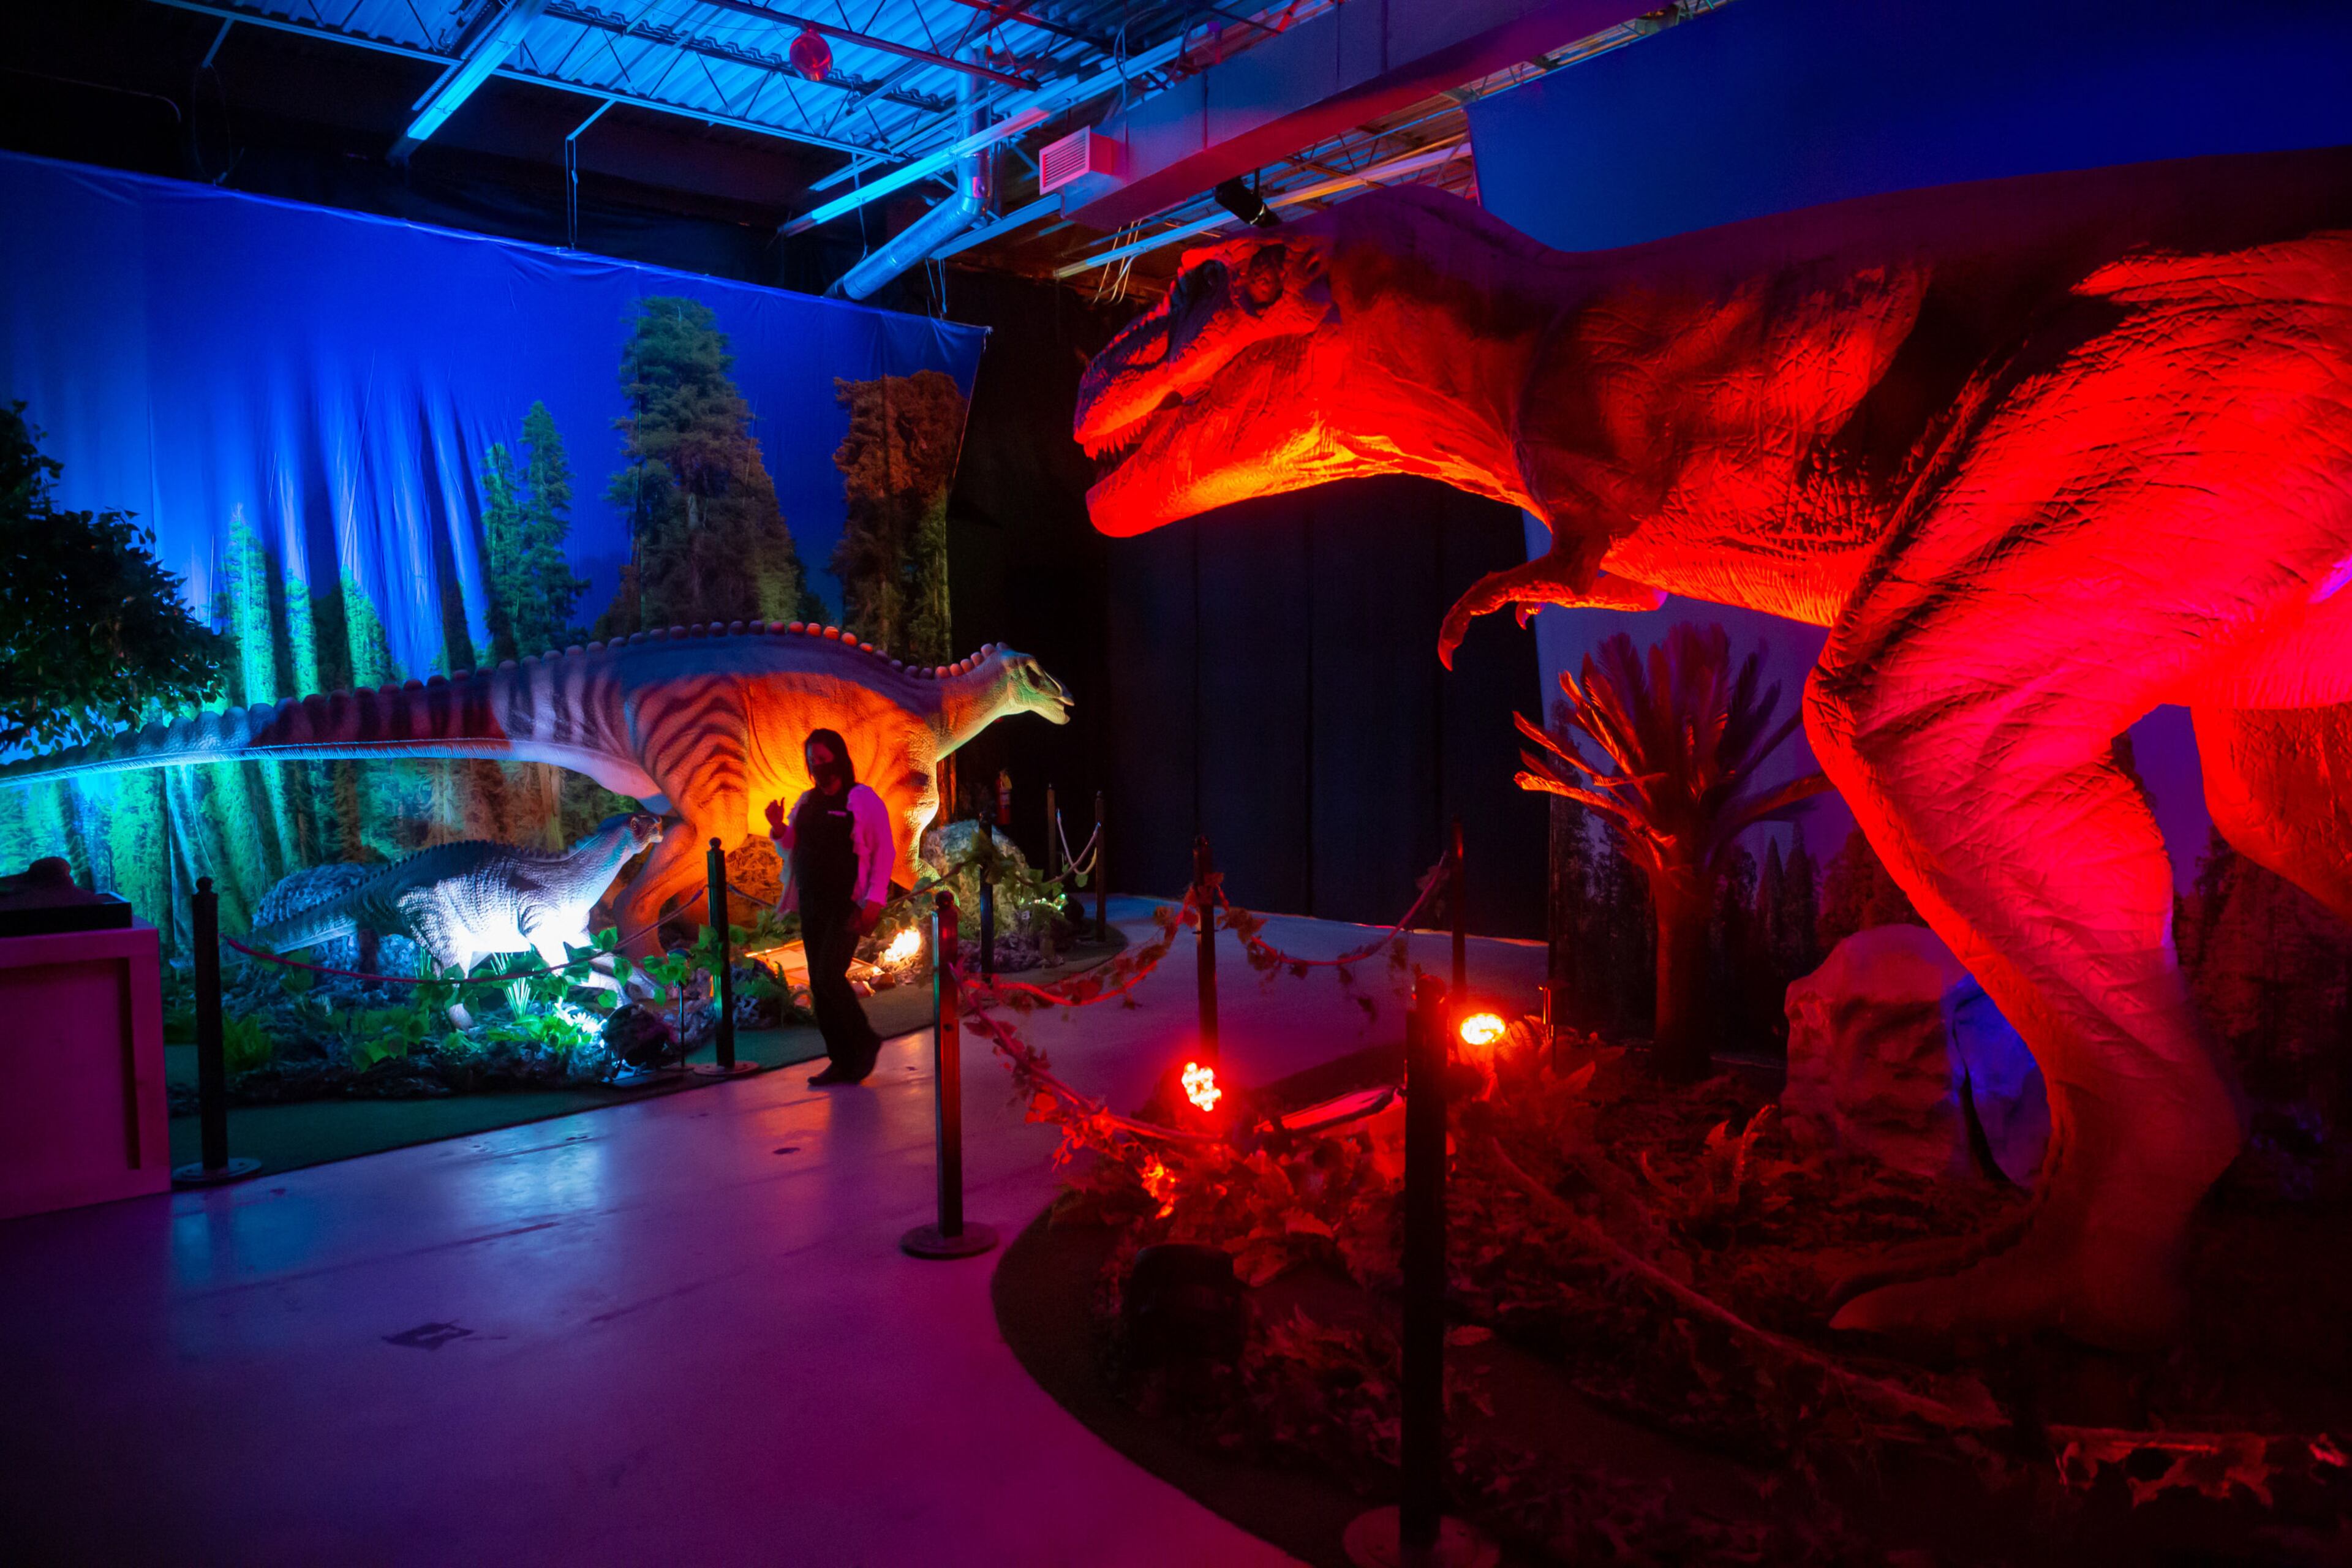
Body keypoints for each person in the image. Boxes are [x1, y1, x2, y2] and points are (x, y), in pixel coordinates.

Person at [767, 728, 892, 1086]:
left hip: (846, 904)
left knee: (827, 976)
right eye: (811, 762)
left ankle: (865, 1040)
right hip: (812, 902)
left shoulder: (862, 799)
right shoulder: (807, 802)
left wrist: (874, 900)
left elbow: (884, 850)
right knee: (820, 985)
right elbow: (790, 844)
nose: (816, 766)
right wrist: (778, 827)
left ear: (838, 757)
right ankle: (841, 1060)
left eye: (822, 759)